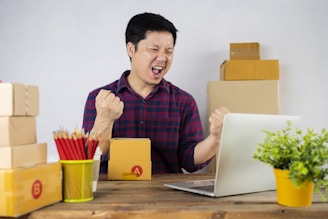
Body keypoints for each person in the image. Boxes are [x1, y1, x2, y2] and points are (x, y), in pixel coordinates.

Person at [82, 12, 229, 174]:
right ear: (131, 49)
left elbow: (190, 161)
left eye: (169, 51)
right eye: (154, 49)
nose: (162, 58)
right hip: (113, 194)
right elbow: (89, 159)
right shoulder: (100, 99)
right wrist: (104, 120)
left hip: (166, 195)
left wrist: (215, 138)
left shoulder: (183, 102)